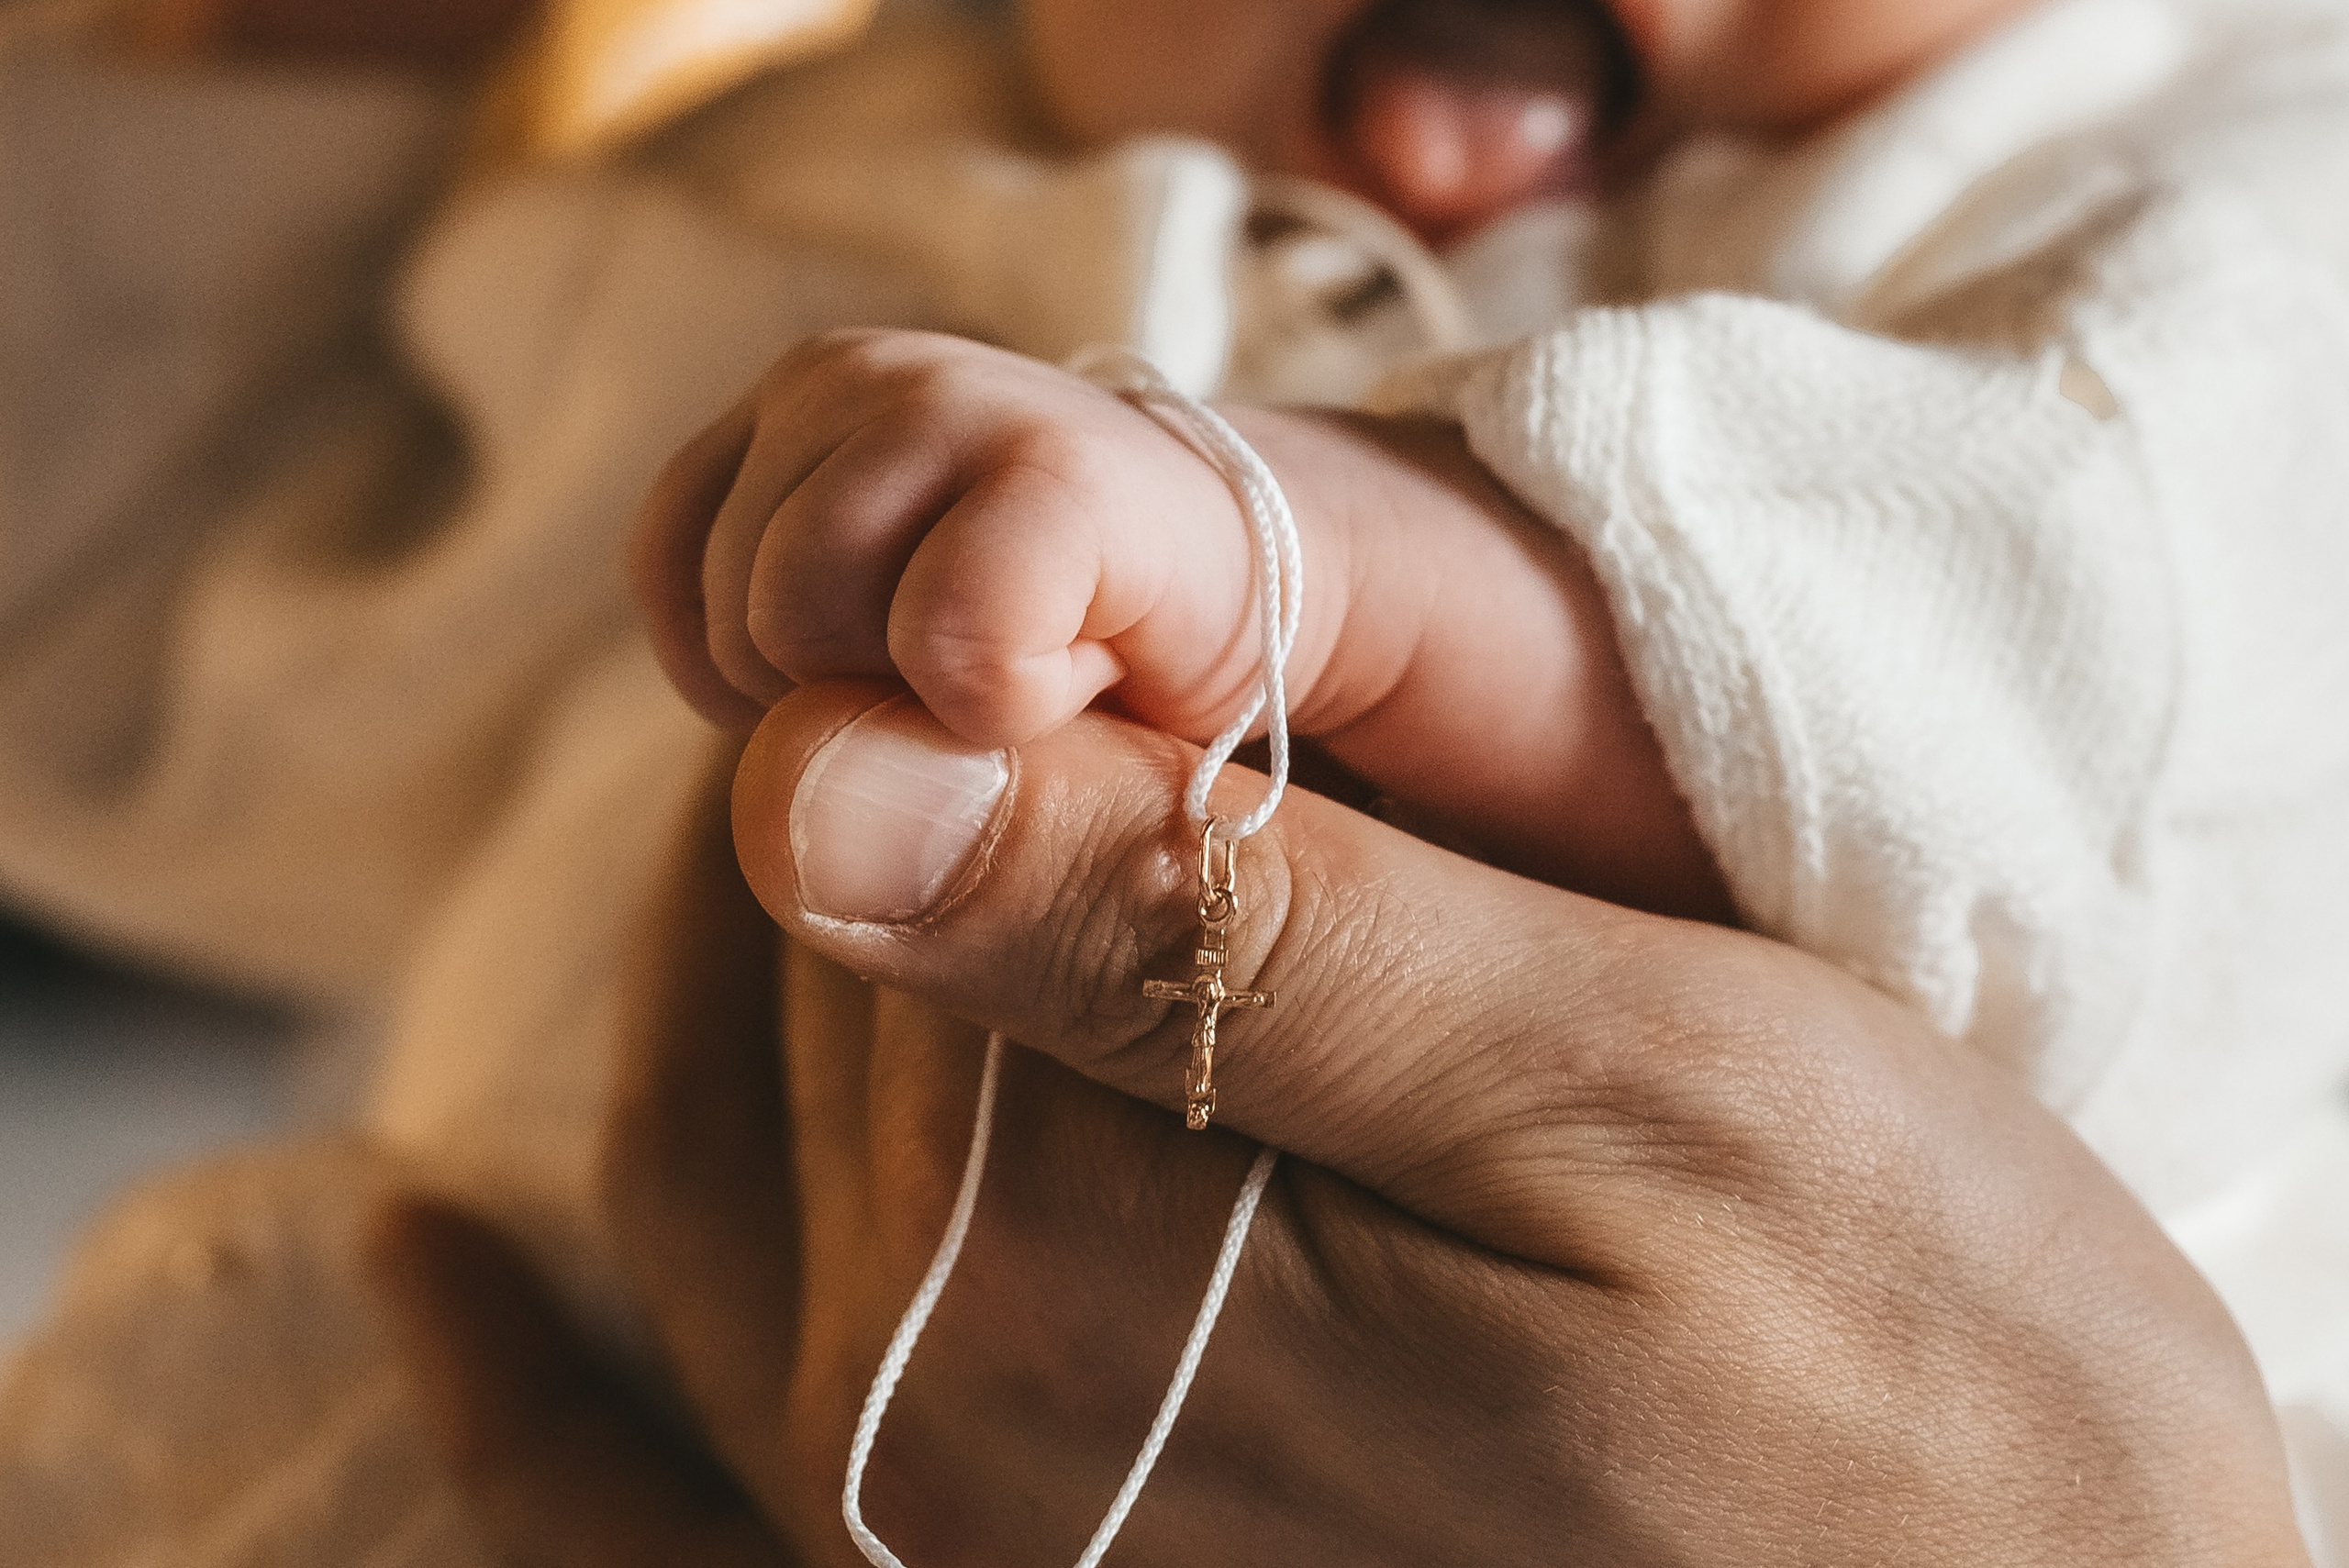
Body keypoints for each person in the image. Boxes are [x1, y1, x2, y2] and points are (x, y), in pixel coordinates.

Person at [0, 0, 2344, 1560]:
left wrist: (1337, 562)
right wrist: (304, 47)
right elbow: (164, 647)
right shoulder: (835, 167)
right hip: (458, 1419)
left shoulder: (2207, 173)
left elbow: (2053, 642)